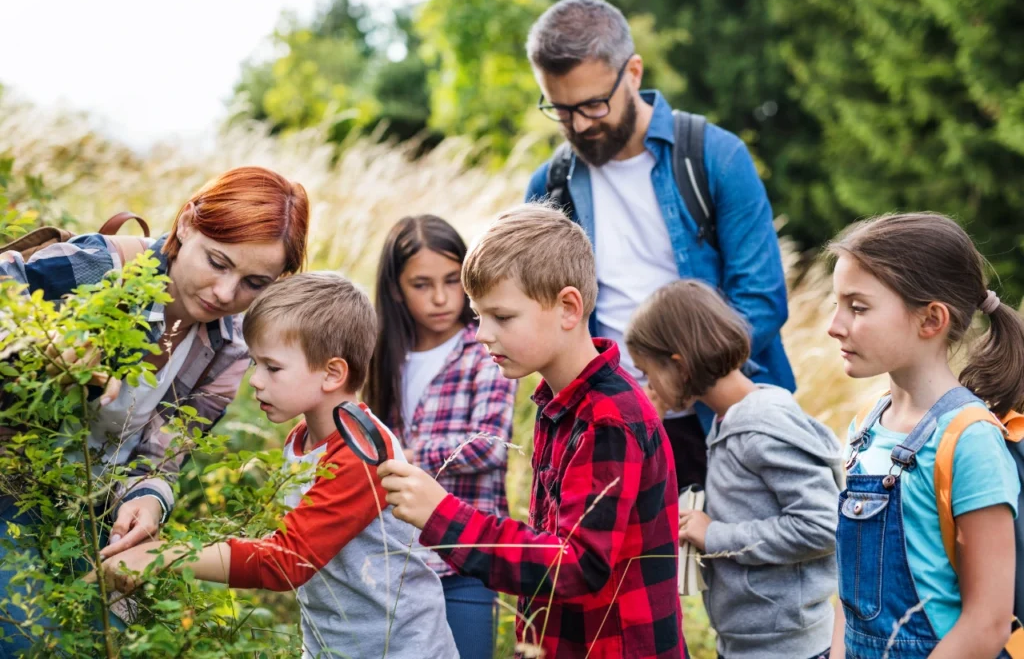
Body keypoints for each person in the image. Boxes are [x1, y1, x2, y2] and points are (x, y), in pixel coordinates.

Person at [0, 166, 309, 654]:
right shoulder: (105, 268)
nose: (226, 294)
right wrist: (39, 340)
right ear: (187, 224)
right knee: (24, 639)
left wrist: (149, 499)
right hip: (12, 487)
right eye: (217, 261)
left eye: (254, 281)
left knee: (94, 640)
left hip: (89, 513)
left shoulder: (228, 346)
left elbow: (162, 456)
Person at [378, 204, 685, 658]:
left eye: (502, 317)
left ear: (567, 307)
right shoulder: (558, 404)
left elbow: (576, 564)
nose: (482, 334)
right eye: (479, 315)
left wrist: (442, 516)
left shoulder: (609, 418)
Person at [99, 272, 459, 659]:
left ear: (332, 373)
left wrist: (165, 555)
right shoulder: (302, 439)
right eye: (255, 363)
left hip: (400, 649)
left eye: (272, 367)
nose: (255, 380)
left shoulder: (362, 450)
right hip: (332, 645)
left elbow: (289, 561)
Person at [524, 0, 794, 490]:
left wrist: (672, 386)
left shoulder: (715, 157)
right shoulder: (549, 186)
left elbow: (762, 300)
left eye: (592, 105)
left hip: (722, 422)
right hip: (607, 426)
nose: (579, 125)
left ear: (632, 71)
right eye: (561, 111)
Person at [827, 213, 1022, 658]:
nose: (835, 326)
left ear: (931, 319)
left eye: (857, 308)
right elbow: (850, 594)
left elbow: (988, 623)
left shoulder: (969, 439)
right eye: (836, 305)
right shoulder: (866, 426)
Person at [626, 279, 840, 659]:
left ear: (679, 365)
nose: (649, 385)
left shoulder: (762, 428)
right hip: (747, 643)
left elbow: (823, 525)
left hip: (788, 649)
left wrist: (717, 535)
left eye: (648, 372)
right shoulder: (728, 423)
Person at [365, 215, 516, 659]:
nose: (441, 298)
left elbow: (491, 444)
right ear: (395, 289)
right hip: (399, 560)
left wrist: (410, 456)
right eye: (422, 284)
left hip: (464, 557)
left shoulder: (486, 348)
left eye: (453, 281)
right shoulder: (383, 355)